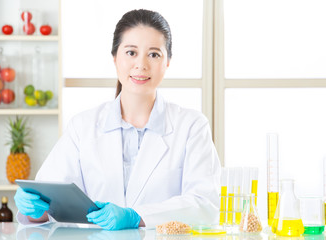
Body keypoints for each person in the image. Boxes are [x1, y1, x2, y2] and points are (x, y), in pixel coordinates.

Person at [14, 9, 220, 230]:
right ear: (115, 58)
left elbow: (205, 205)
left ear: (167, 61)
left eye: (154, 54)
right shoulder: (83, 127)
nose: (141, 65)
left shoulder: (191, 126)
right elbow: (50, 198)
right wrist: (35, 210)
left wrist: (137, 216)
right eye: (131, 52)